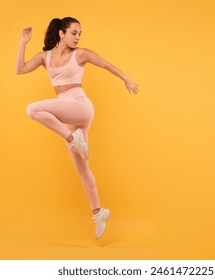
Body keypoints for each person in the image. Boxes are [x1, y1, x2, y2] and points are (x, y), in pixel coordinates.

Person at [15, 17, 139, 239]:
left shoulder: (80, 54)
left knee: (32, 109)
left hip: (81, 106)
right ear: (61, 33)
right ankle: (98, 212)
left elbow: (106, 65)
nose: (78, 37)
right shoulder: (45, 57)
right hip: (68, 112)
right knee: (82, 169)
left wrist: (126, 78)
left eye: (80, 33)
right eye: (74, 33)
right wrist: (23, 42)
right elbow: (20, 70)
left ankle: (72, 138)